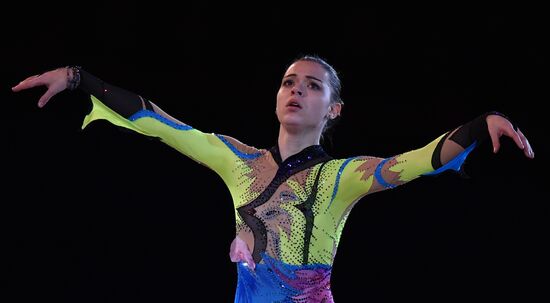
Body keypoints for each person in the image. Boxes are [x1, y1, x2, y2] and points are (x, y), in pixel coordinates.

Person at [12, 55, 534, 302]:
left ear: (333, 110)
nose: (297, 91)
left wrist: (477, 126)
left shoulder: (340, 177)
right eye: (289, 82)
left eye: (312, 86)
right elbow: (160, 121)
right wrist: (81, 79)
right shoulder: (237, 160)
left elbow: (419, 160)